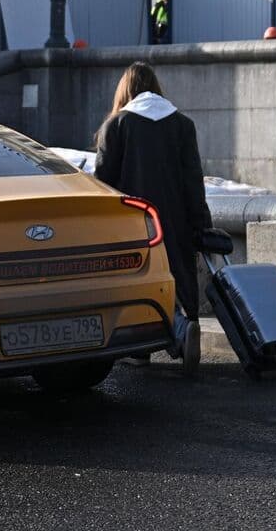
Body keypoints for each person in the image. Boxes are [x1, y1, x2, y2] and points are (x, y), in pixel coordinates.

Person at [93, 62, 211, 374]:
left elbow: (103, 183)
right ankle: (186, 327)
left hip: (134, 224)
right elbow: (193, 181)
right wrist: (201, 225)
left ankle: (162, 340)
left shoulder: (117, 125)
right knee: (175, 279)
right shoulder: (183, 125)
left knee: (139, 286)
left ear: (125, 90)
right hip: (176, 222)